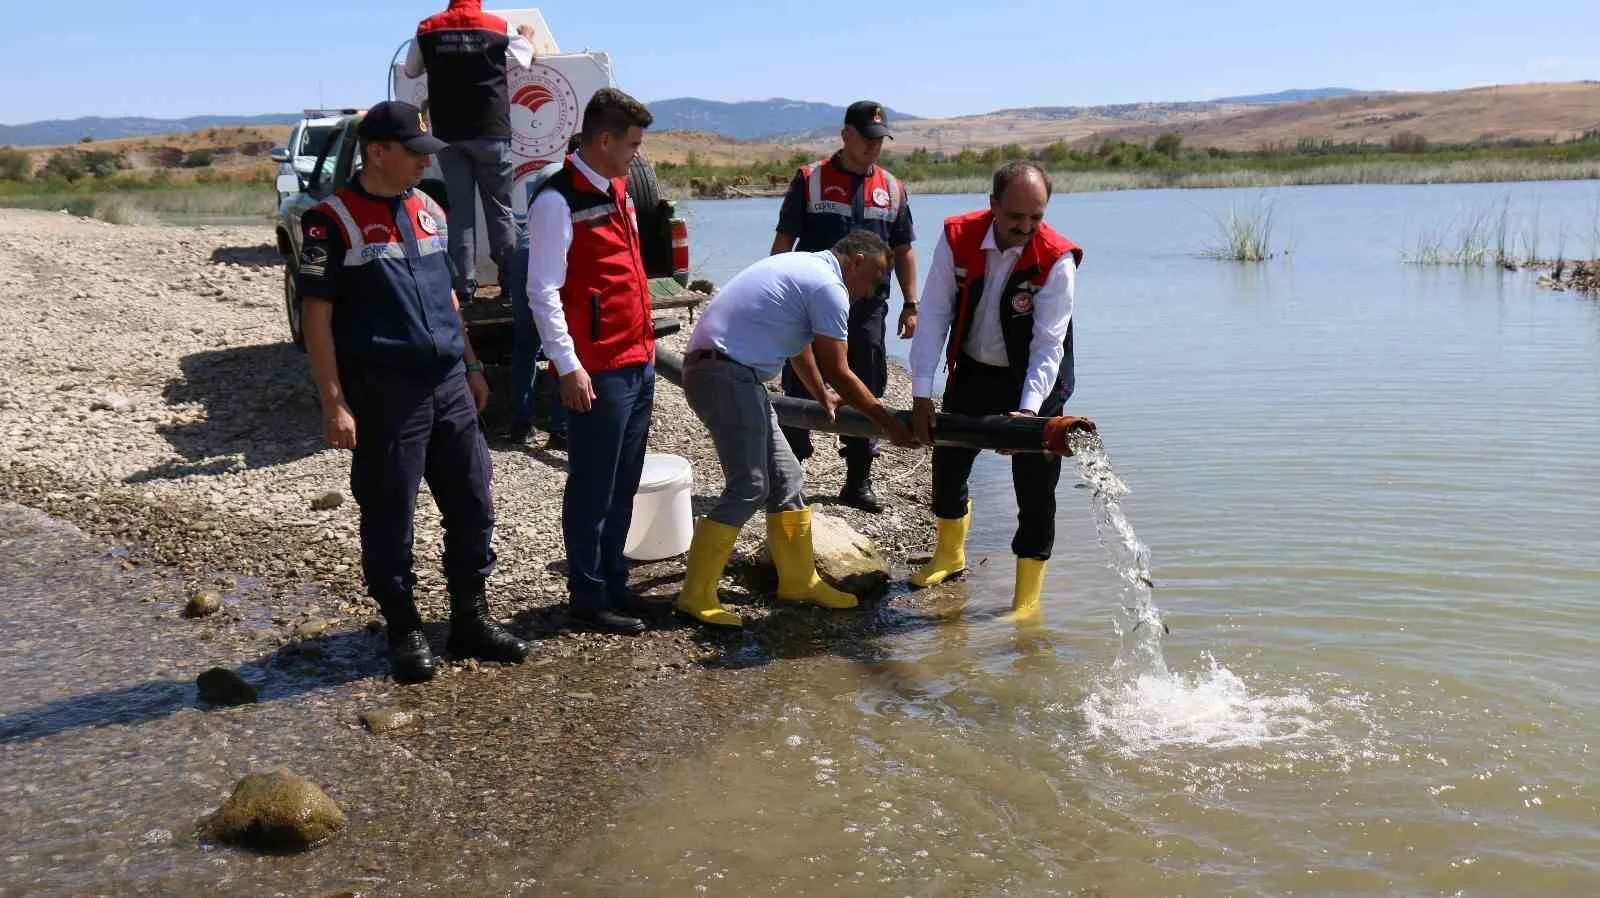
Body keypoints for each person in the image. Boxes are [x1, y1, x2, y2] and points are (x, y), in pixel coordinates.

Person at [297, 100, 529, 684]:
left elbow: (449, 297)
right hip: (384, 393)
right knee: (389, 514)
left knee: (474, 503)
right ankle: (403, 627)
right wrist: (334, 400)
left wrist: (473, 365)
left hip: (449, 383)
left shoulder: (429, 208)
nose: (425, 166)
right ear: (377, 153)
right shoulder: (331, 221)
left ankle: (470, 619)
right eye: (414, 154)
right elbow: (316, 318)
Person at [675, 231, 918, 628]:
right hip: (725, 374)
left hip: (727, 372)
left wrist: (819, 392)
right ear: (855, 260)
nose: (873, 291)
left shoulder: (807, 270)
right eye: (874, 279)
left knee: (787, 478)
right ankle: (696, 593)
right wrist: (888, 423)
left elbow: (798, 345)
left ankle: (799, 581)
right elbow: (841, 371)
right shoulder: (829, 285)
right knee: (749, 485)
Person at [905, 161, 1083, 620]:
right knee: (946, 469)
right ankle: (950, 555)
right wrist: (921, 393)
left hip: (1035, 384)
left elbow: (1049, 345)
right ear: (992, 206)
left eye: (1036, 218)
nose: (1025, 228)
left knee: (1035, 490)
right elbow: (935, 316)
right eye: (1015, 218)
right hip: (973, 372)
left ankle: (1026, 597)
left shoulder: (1056, 260)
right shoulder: (958, 236)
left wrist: (1027, 413)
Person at [525, 88, 658, 635]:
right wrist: (568, 365)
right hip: (598, 367)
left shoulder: (620, 187)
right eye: (631, 143)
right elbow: (542, 290)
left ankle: (614, 583)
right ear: (603, 140)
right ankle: (587, 596)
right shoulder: (557, 201)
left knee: (624, 481)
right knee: (592, 486)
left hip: (637, 358)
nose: (636, 153)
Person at [771, 100, 918, 514]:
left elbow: (904, 250)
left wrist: (911, 304)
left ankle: (857, 480)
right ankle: (790, 475)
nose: (874, 147)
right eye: (867, 139)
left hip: (869, 308)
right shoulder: (810, 180)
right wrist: (775, 296)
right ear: (846, 136)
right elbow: (784, 242)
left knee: (866, 383)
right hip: (810, 305)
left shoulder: (891, 188)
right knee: (802, 383)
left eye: (881, 140)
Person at [405, 0, 539, 303]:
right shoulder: (496, 25)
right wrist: (527, 35)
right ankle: (510, 283)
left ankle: (463, 289)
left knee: (460, 214)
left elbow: (412, 70)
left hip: (449, 134)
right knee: (501, 212)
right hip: (492, 131)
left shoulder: (427, 28)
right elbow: (526, 57)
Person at [502, 134, 581, 449]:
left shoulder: (548, 173)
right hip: (548, 257)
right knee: (561, 342)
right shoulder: (571, 180)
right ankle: (560, 427)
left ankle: (521, 423)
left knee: (526, 345)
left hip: (523, 256)